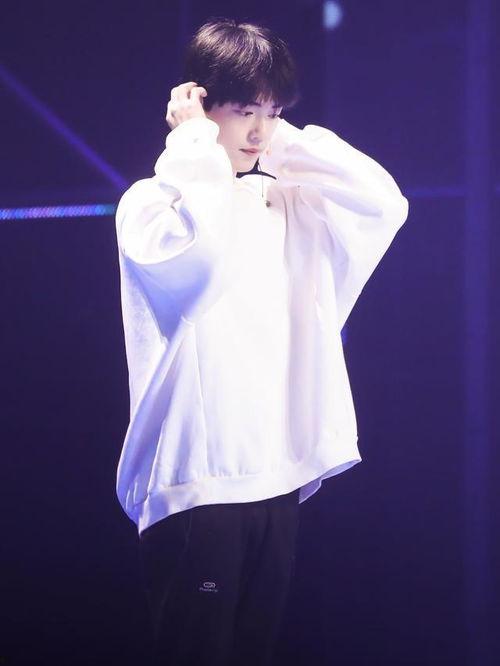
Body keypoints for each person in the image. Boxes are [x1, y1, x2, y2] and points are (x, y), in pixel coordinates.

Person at [114, 16, 409, 666]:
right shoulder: (153, 205)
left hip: (276, 477)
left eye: (272, 113)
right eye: (245, 110)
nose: (258, 131)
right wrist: (193, 144)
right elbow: (203, 266)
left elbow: (385, 204)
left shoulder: (284, 202)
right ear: (199, 104)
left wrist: (277, 143)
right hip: (198, 485)